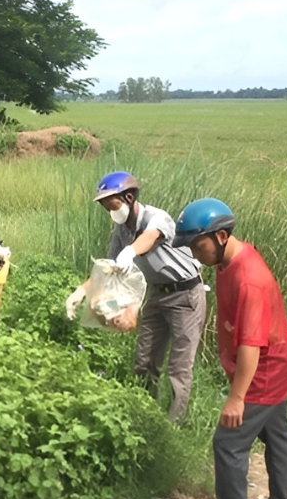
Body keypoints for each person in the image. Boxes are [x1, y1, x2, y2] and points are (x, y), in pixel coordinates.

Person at [171, 197, 287, 499]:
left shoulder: (249, 279)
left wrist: (237, 398)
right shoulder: (228, 260)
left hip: (263, 373)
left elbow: (250, 346)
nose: (196, 254)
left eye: (199, 245)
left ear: (222, 236)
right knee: (277, 438)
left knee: (227, 445)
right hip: (276, 363)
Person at [65, 172, 206, 421]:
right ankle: (146, 416)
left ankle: (173, 425)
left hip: (185, 295)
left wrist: (130, 252)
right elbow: (107, 266)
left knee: (179, 367)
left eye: (113, 204)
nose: (110, 210)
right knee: (144, 362)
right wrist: (80, 292)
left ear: (128, 197)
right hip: (155, 295)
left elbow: (150, 237)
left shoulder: (156, 217)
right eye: (105, 206)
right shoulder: (121, 231)